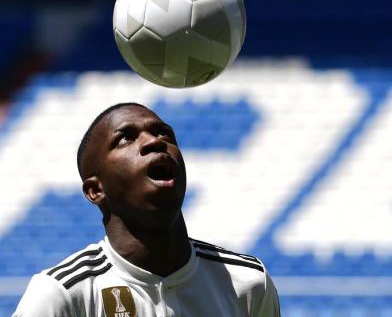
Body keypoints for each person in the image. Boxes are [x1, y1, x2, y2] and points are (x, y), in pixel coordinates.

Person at [13, 102, 280, 316]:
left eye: (164, 133)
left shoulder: (247, 282)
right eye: (126, 138)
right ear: (96, 190)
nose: (155, 142)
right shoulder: (63, 294)